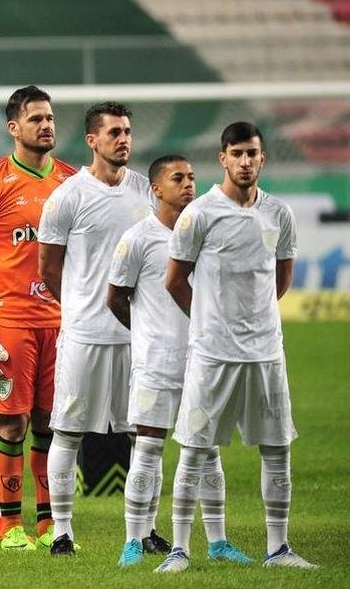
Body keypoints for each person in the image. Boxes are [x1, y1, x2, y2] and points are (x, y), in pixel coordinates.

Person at [159, 122, 317, 571]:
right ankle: (180, 551)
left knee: (277, 449)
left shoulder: (279, 214)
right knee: (193, 447)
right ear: (223, 158)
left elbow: (280, 279)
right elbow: (174, 280)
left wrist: (253, 319)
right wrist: (212, 320)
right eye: (237, 154)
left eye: (253, 153)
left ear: (263, 159)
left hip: (266, 352)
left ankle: (278, 549)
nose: (245, 162)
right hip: (212, 353)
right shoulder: (200, 214)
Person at [107, 155, 249, 568]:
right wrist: (148, 333)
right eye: (178, 178)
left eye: (191, 177)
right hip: (155, 362)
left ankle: (218, 541)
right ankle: (134, 540)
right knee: (148, 450)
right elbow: (115, 297)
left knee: (207, 452)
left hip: (204, 360)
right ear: (156, 188)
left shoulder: (206, 233)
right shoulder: (137, 238)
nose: (188, 184)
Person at [0, 86, 77, 551]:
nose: (46, 125)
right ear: (14, 128)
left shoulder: (71, 182)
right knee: (11, 424)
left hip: (60, 321)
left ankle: (49, 521)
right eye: (35, 119)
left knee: (52, 422)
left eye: (49, 118)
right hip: (10, 321)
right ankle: (9, 525)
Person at [37, 102, 152, 555]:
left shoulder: (145, 191)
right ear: (92, 140)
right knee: (67, 430)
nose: (123, 139)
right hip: (85, 334)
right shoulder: (68, 196)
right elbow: (48, 268)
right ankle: (62, 531)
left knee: (143, 432)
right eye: (114, 133)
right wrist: (81, 307)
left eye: (127, 131)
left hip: (135, 335)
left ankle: (142, 531)